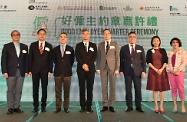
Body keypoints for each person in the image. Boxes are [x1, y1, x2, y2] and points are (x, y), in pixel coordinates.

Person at [1, 30, 28, 114]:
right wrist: (4, 71)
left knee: (19, 90)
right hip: (10, 71)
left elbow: (26, 60)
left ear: (19, 36)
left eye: (18, 35)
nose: (16, 36)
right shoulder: (7, 46)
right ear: (11, 36)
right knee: (10, 90)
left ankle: (16, 107)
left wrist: (26, 70)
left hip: (21, 71)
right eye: (14, 35)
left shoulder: (24, 46)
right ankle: (10, 107)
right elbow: (3, 60)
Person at [120, 32, 146, 112]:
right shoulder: (123, 48)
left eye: (134, 37)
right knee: (128, 89)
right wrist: (121, 70)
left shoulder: (140, 48)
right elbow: (121, 60)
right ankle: (129, 106)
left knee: (138, 89)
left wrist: (144, 71)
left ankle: (138, 106)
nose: (132, 38)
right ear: (128, 38)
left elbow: (143, 61)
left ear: (136, 38)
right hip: (127, 71)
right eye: (130, 37)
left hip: (137, 71)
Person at [28, 29, 53, 113]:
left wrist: (50, 70)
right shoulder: (33, 45)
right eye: (40, 34)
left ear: (45, 35)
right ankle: (35, 106)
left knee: (44, 89)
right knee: (35, 89)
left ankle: (43, 106)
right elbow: (30, 58)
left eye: (43, 34)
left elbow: (50, 60)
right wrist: (29, 70)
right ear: (37, 35)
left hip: (45, 71)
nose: (42, 35)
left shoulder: (49, 46)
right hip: (34, 70)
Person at [96, 29, 120, 112]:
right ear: (103, 35)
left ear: (110, 35)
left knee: (112, 86)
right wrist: (97, 68)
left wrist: (117, 68)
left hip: (112, 68)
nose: (106, 35)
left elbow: (117, 57)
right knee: (104, 87)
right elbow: (98, 57)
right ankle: (105, 104)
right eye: (105, 34)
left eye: (108, 33)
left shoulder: (115, 44)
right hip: (103, 68)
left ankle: (112, 105)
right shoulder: (100, 45)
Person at [146, 36, 170, 113]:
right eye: (154, 41)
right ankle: (156, 105)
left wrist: (161, 69)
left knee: (162, 89)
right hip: (153, 71)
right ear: (152, 42)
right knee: (155, 89)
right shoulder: (149, 51)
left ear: (159, 42)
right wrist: (156, 69)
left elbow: (166, 61)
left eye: (157, 40)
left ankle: (161, 106)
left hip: (162, 71)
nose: (156, 42)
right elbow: (148, 62)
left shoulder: (163, 50)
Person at [75, 29, 97, 113]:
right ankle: (82, 107)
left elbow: (94, 57)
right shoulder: (78, 45)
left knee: (90, 88)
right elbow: (77, 57)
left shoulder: (93, 45)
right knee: (82, 88)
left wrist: (87, 65)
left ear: (89, 35)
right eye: (83, 34)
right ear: (82, 35)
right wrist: (83, 65)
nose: (85, 35)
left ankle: (89, 106)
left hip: (91, 69)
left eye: (87, 34)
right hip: (81, 69)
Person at [53, 32, 74, 113]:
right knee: (58, 91)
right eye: (61, 37)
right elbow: (54, 60)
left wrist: (66, 67)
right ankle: (58, 107)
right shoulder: (55, 49)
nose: (63, 38)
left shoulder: (70, 49)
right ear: (59, 38)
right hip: (57, 72)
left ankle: (66, 107)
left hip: (67, 73)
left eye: (64, 37)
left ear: (67, 38)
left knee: (67, 91)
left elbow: (71, 61)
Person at [166, 38, 187, 114]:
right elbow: (166, 63)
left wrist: (178, 70)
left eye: (177, 42)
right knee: (173, 88)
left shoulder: (183, 52)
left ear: (179, 43)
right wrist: (170, 70)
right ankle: (175, 105)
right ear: (171, 44)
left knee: (180, 88)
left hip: (180, 72)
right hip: (170, 72)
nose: (175, 44)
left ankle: (182, 106)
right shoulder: (168, 53)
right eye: (173, 42)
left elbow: (184, 62)